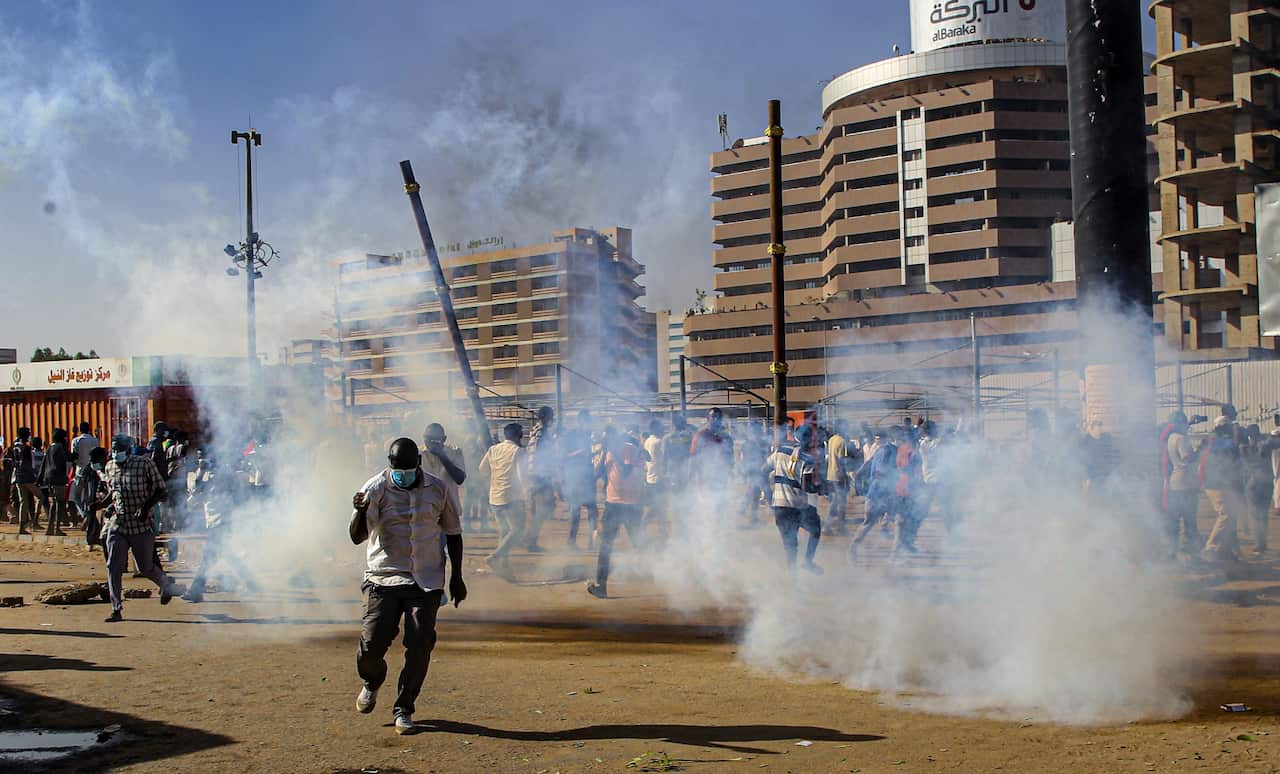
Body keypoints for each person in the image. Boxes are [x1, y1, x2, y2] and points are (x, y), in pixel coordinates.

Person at [350, 437, 466, 735]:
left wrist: (456, 577)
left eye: (407, 469)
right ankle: (373, 681)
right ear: (390, 464)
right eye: (395, 469)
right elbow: (356, 536)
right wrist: (361, 511)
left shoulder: (437, 489)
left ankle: (404, 708)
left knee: (420, 644)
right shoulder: (374, 488)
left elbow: (453, 533)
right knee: (371, 647)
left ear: (418, 464)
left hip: (425, 580)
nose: (401, 474)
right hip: (383, 578)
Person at [102, 434, 181, 622]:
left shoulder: (144, 465)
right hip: (119, 523)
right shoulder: (110, 466)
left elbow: (161, 490)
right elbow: (113, 492)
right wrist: (100, 504)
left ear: (129, 449)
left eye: (119, 449)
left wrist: (145, 508)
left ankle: (165, 584)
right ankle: (116, 608)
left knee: (145, 567)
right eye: (113, 449)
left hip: (141, 524)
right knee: (113, 566)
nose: (115, 453)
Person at [184, 455, 258, 602]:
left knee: (208, 557)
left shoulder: (226, 476)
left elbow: (234, 496)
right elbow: (197, 492)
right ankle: (251, 582)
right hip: (214, 521)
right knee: (227, 555)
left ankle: (195, 590)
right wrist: (201, 473)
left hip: (221, 522)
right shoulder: (207, 478)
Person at [587, 426, 649, 599]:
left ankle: (668, 572)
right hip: (613, 504)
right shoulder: (607, 452)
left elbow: (626, 471)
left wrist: (613, 453)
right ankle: (601, 586)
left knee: (639, 542)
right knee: (606, 546)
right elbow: (596, 474)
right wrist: (605, 453)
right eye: (604, 440)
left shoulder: (628, 448)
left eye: (607, 439)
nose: (604, 441)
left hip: (631, 505)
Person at [765, 423, 823, 574]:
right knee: (815, 529)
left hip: (779, 507)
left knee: (790, 547)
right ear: (810, 439)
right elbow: (807, 487)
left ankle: (792, 580)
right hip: (797, 507)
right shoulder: (808, 459)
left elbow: (762, 471)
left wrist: (768, 495)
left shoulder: (780, 452)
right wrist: (820, 488)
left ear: (795, 436)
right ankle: (808, 562)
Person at [477, 423, 526, 577]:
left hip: (495, 497)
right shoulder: (518, 451)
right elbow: (521, 476)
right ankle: (495, 557)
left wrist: (495, 479)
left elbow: (482, 469)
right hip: (512, 498)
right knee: (517, 530)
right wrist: (527, 494)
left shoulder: (493, 449)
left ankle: (503, 566)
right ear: (518, 435)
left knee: (505, 531)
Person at [849, 429, 897, 560]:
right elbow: (871, 465)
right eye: (876, 440)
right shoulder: (886, 450)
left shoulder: (884, 450)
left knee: (873, 521)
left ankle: (855, 547)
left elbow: (873, 468)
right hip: (880, 493)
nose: (876, 442)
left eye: (878, 439)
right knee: (873, 521)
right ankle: (854, 547)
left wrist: (859, 474)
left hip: (880, 492)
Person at [1200, 418, 1242, 561]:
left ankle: (1225, 550)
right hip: (1216, 484)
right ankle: (1210, 548)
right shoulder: (1219, 441)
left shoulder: (1215, 439)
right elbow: (1230, 456)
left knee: (1231, 515)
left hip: (1220, 483)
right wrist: (1236, 435)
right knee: (1225, 515)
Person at [562, 410, 598, 550]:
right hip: (574, 478)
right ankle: (571, 542)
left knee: (592, 509)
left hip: (587, 478)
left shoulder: (590, 436)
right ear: (580, 421)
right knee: (575, 512)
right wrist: (580, 452)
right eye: (586, 421)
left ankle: (592, 541)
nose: (588, 424)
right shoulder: (570, 436)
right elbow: (564, 456)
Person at [524, 406, 558, 553]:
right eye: (551, 416)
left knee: (541, 509)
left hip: (535, 475)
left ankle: (531, 538)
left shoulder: (534, 430)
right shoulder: (542, 433)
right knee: (545, 508)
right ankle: (530, 539)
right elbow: (539, 455)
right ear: (545, 417)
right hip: (540, 476)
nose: (553, 419)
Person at [73, 446, 110, 549]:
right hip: (93, 499)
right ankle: (92, 541)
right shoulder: (91, 468)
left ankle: (98, 540)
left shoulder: (106, 467)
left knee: (99, 521)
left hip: (102, 499)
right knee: (93, 520)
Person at [689, 407, 734, 490]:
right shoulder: (700, 435)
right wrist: (691, 475)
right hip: (704, 476)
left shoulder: (726, 437)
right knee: (706, 501)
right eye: (713, 416)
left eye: (718, 417)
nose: (716, 419)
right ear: (708, 418)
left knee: (720, 499)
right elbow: (693, 456)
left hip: (721, 475)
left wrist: (730, 472)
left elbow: (730, 457)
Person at [7, 428, 40, 534]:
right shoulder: (26, 448)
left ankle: (22, 527)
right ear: (26, 436)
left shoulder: (14, 447)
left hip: (17, 476)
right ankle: (33, 521)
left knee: (23, 501)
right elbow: (30, 465)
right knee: (40, 497)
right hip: (26, 477)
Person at [825, 422, 856, 535]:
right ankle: (840, 528)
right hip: (839, 475)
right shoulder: (842, 441)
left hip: (831, 474)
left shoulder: (832, 439)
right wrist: (848, 475)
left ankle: (828, 526)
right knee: (841, 502)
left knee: (834, 501)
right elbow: (843, 460)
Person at [39, 428, 70, 536]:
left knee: (54, 503)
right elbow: (67, 458)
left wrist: (39, 478)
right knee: (60, 503)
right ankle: (56, 528)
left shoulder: (50, 447)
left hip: (49, 478)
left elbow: (43, 464)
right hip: (58, 478)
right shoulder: (61, 447)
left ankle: (50, 527)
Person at [420, 423, 466, 490]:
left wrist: (442, 456)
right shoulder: (417, 453)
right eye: (429, 438)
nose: (432, 442)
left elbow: (459, 479)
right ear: (424, 438)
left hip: (448, 499)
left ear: (444, 439)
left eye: (436, 439)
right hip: (425, 499)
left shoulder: (455, 452)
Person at [641, 420, 666, 537]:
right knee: (656, 507)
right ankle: (642, 527)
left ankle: (661, 531)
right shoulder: (659, 442)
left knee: (659, 506)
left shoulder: (647, 440)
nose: (663, 429)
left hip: (650, 477)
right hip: (658, 479)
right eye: (661, 427)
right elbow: (665, 459)